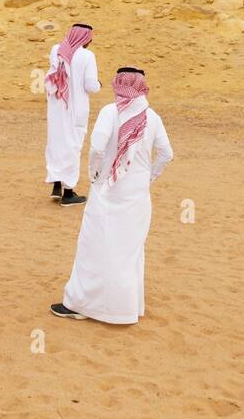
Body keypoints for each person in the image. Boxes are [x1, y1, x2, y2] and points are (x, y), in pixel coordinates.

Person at [51, 67, 173, 323]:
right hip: (138, 195)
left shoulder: (110, 112)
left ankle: (82, 306)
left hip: (108, 190)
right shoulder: (153, 117)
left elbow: (96, 147)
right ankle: (126, 309)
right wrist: (148, 178)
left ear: (118, 84)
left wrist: (95, 175)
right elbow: (166, 154)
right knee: (128, 250)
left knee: (94, 247)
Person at [45, 22, 101, 205]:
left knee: (56, 142)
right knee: (72, 146)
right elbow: (91, 86)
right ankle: (68, 193)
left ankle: (56, 186)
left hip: (56, 106)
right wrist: (99, 84)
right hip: (75, 109)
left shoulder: (57, 49)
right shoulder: (87, 56)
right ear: (86, 38)